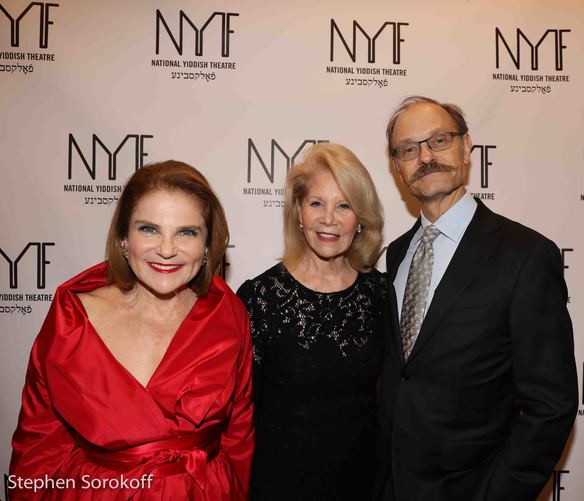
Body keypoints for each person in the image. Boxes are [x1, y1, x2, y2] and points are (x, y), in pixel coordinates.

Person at [10, 161, 254, 500]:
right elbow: (40, 439)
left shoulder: (227, 316)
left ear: (208, 245)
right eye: (149, 229)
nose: (167, 250)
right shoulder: (73, 321)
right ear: (124, 238)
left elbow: (239, 435)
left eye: (187, 232)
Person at [375, 95, 578, 501]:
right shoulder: (396, 254)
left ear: (467, 147)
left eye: (439, 140)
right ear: (397, 166)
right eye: (409, 149)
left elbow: (551, 405)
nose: (426, 157)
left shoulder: (525, 255)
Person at [237, 143, 386, 501]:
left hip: (363, 485)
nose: (328, 219)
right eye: (316, 203)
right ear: (298, 213)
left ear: (360, 219)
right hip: (278, 486)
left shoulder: (380, 294)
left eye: (344, 205)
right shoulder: (259, 297)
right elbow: (239, 414)